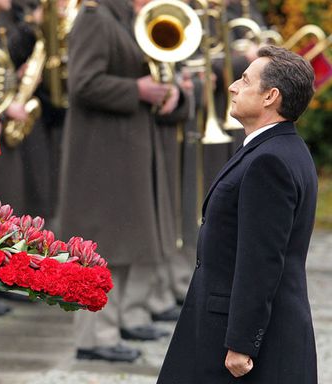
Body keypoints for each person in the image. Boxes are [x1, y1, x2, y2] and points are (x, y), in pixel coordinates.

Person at [157, 45, 318, 383]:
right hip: (231, 325)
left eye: (245, 81)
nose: (232, 87)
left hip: (244, 343)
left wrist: (242, 344)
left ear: (269, 96)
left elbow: (261, 260)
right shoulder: (276, 148)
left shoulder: (269, 161)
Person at [57, 0, 187, 363]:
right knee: (103, 247)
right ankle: (94, 337)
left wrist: (169, 93)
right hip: (101, 154)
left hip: (128, 148)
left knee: (127, 242)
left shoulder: (128, 18)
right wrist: (138, 91)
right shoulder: (94, 17)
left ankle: (111, 328)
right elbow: (82, 83)